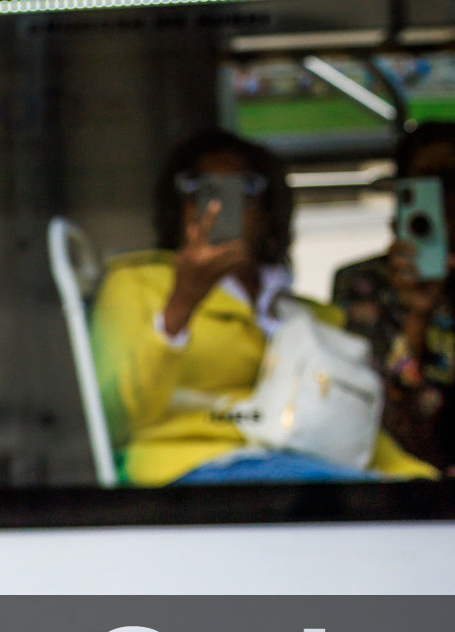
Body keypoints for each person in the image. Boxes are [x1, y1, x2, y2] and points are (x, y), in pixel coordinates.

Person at [89, 129, 430, 484]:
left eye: (243, 190)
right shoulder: (137, 285)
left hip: (303, 466)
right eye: (199, 189)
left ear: (270, 213)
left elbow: (354, 424)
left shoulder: (311, 316)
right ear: (176, 209)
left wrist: (419, 480)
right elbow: (116, 419)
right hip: (194, 468)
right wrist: (182, 304)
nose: (219, 207)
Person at [333, 120, 455, 475]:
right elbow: (366, 415)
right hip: (403, 482)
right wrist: (417, 317)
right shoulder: (362, 285)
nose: (443, 199)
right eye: (424, 185)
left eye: (451, 182)